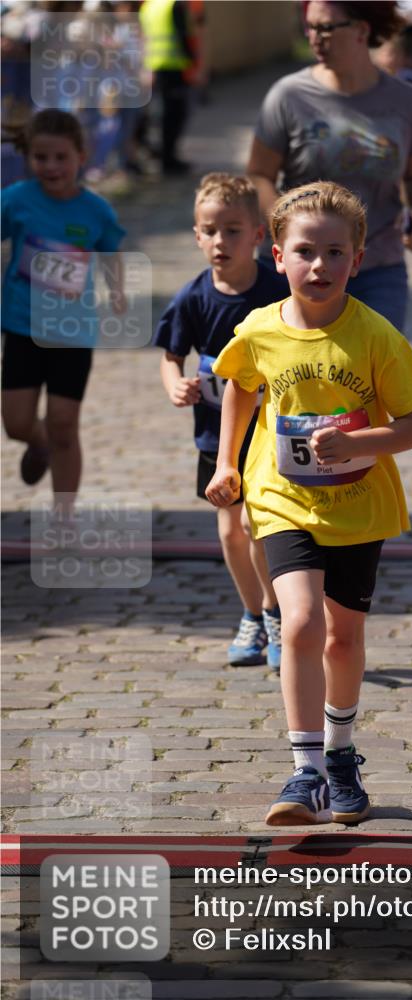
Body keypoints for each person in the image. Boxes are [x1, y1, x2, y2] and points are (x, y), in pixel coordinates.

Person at [205, 181, 412, 826]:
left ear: (357, 261)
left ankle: (340, 753)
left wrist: (359, 440)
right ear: (276, 255)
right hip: (281, 498)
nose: (319, 266)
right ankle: (304, 769)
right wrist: (228, 463)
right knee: (301, 622)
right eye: (305, 251)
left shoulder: (375, 335)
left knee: (343, 637)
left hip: (359, 506)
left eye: (335, 253)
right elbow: (239, 388)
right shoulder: (258, 328)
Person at [154, 173, 288, 669]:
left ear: (259, 235)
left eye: (232, 230)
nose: (219, 241)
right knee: (231, 532)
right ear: (196, 235)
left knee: (257, 526)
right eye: (209, 231)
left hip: (272, 432)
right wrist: (175, 384)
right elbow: (171, 354)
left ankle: (274, 612)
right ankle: (252, 614)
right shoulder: (192, 297)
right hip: (216, 434)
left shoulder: (279, 290)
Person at [246, 0, 412, 333]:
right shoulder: (289, 96)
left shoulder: (407, 102)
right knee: (289, 378)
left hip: (376, 267)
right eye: (309, 28)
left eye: (326, 28)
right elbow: (259, 174)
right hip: (298, 269)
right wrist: (286, 224)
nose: (315, 38)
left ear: (362, 29)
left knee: (373, 378)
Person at [1, 109, 126, 516]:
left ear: (81, 156)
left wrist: (118, 291)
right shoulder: (16, 200)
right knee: (16, 423)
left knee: (63, 424)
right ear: (28, 158)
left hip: (72, 331)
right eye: (41, 157)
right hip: (22, 326)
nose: (50, 167)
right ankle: (37, 443)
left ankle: (63, 518)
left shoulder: (96, 211)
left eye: (60, 157)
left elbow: (111, 252)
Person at [139, 0, 195, 175]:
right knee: (174, 115)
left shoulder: (148, 6)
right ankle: (168, 160)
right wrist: (193, 60)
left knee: (161, 115)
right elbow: (183, 35)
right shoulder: (174, 5)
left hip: (154, 66)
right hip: (173, 67)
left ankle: (163, 156)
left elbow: (143, 37)